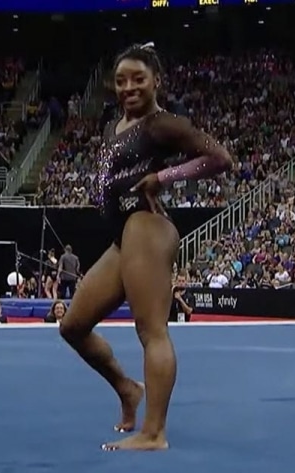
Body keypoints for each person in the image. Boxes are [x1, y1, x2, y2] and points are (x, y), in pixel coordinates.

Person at [58, 42, 233, 451]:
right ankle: (128, 388)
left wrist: (165, 177)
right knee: (73, 326)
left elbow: (220, 159)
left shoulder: (162, 124)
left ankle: (154, 432)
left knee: (151, 330)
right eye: (121, 81)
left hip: (147, 226)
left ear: (157, 81)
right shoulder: (113, 124)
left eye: (139, 79)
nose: (129, 87)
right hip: (123, 236)